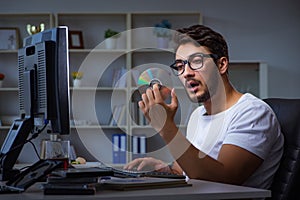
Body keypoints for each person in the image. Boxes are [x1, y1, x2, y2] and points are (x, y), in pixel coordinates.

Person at [124, 24, 284, 189]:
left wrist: (167, 128)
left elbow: (224, 180)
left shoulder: (252, 113)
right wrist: (165, 168)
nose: (186, 73)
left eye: (196, 61)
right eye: (180, 66)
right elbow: (193, 170)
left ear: (221, 65)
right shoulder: (198, 115)